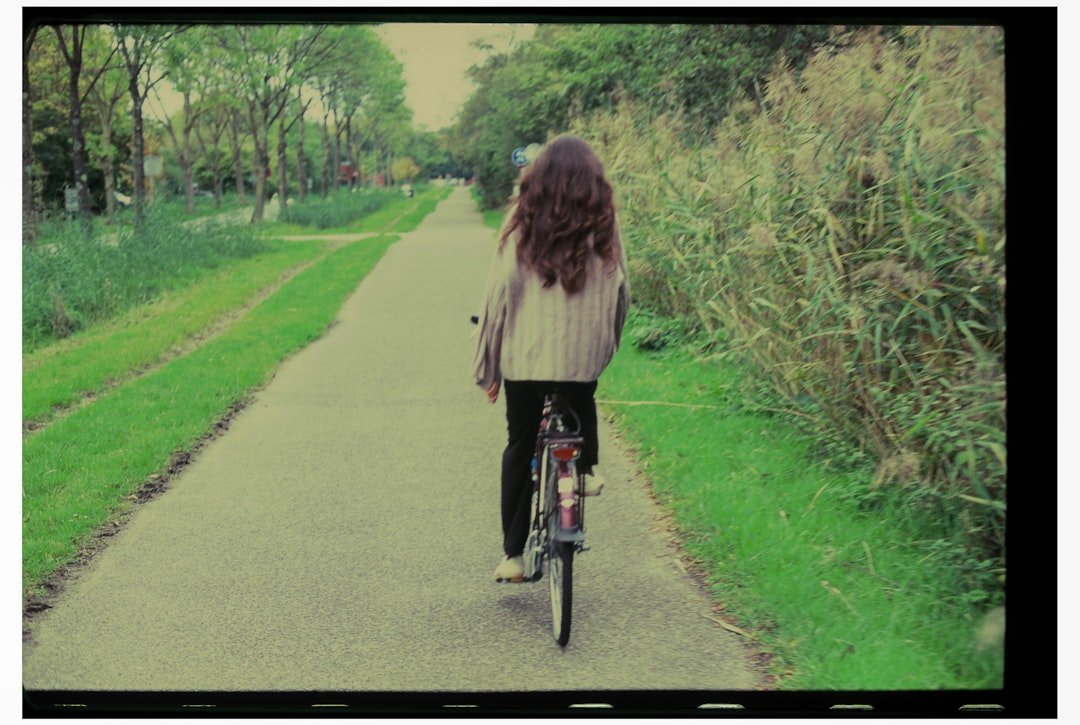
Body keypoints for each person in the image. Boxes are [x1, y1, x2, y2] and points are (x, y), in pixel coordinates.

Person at [472, 134, 630, 583]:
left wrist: (488, 370)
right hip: (582, 360)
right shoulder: (604, 223)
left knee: (520, 443)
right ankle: (587, 470)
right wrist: (605, 346)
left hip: (523, 362)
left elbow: (496, 299)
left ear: (536, 178)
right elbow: (623, 294)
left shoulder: (519, 224)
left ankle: (513, 557)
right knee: (582, 392)